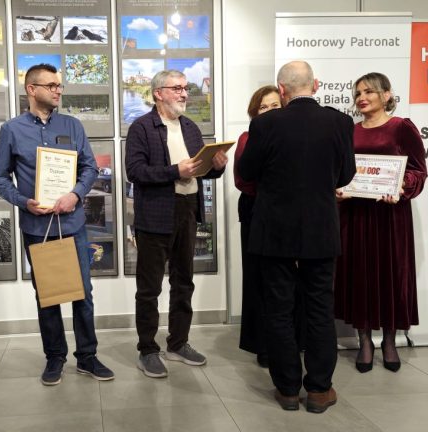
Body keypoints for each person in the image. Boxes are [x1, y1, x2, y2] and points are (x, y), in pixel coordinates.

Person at [238, 61, 355, 414]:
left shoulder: (264, 124)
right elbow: (345, 175)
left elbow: (247, 171)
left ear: (282, 90)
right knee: (320, 308)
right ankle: (319, 390)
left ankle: (288, 389)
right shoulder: (340, 122)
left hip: (274, 231)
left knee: (279, 309)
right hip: (320, 230)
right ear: (315, 85)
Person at [0, 63, 114, 386]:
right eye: (51, 86)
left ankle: (87, 356)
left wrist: (75, 194)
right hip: (37, 226)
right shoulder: (12, 129)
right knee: (48, 294)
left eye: (59, 85)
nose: (58, 90)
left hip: (73, 224)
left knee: (82, 292)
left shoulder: (72, 125)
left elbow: (89, 167)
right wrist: (24, 201)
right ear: (31, 90)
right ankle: (55, 357)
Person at [125, 69, 228, 379]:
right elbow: (135, 171)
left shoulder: (190, 127)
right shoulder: (142, 127)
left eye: (185, 88)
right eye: (177, 88)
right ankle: (148, 349)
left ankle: (178, 343)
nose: (184, 93)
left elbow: (200, 170)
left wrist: (217, 166)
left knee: (184, 282)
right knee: (149, 288)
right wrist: (175, 171)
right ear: (158, 93)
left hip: (187, 210)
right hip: (155, 214)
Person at [334, 72, 428, 374]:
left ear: (386, 95)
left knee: (391, 275)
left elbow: (418, 170)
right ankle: (364, 341)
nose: (362, 98)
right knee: (359, 275)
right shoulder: (349, 131)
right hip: (355, 216)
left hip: (390, 217)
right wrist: (338, 189)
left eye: (369, 92)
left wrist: (401, 187)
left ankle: (389, 340)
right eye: (358, 93)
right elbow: (340, 170)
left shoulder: (401, 128)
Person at [234, 85, 281, 367]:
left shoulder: (295, 137)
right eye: (264, 107)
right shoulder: (247, 138)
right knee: (259, 278)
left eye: (275, 106)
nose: (270, 111)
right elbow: (243, 180)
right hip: (256, 210)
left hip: (287, 213)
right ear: (255, 112)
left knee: (284, 281)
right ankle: (263, 344)